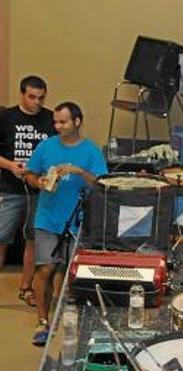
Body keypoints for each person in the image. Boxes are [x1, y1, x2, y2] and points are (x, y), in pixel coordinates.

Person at [24, 102, 107, 346]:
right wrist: (38, 181)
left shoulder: (91, 151)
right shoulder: (46, 146)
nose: (58, 126)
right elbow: (29, 173)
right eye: (56, 122)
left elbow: (101, 184)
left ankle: (77, 324)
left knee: (75, 275)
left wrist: (79, 171)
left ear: (78, 122)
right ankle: (42, 322)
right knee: (46, 269)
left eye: (63, 122)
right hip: (48, 218)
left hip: (78, 222)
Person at [0, 75, 55, 307]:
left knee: (33, 240)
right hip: (9, 189)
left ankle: (26, 287)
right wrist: (10, 165)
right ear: (22, 94)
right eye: (32, 97)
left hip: (38, 191)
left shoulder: (51, 119)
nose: (37, 103)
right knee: (1, 238)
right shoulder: (5, 117)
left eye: (41, 98)